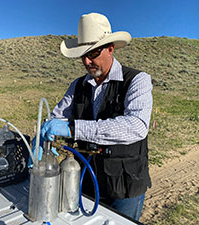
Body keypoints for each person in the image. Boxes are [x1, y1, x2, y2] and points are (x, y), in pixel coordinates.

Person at [39, 12, 153, 221]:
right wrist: (43, 137)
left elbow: (136, 126)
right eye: (83, 55)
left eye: (93, 53)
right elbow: (57, 117)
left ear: (110, 49)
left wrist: (73, 129)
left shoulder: (137, 80)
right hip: (86, 180)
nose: (87, 61)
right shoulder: (78, 85)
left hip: (125, 186)